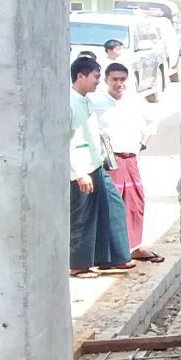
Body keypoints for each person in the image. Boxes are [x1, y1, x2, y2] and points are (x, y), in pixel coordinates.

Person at [89, 62, 164, 263]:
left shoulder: (136, 102)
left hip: (130, 159)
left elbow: (152, 122)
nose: (119, 83)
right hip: (109, 161)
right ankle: (111, 252)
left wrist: (142, 144)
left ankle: (134, 247)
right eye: (114, 79)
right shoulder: (95, 102)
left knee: (135, 203)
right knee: (111, 205)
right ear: (106, 80)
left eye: (122, 79)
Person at [69, 55, 134, 278]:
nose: (98, 81)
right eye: (96, 77)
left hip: (97, 164)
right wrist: (79, 173)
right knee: (83, 217)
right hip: (82, 168)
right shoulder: (70, 103)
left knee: (113, 207)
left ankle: (114, 257)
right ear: (81, 76)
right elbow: (66, 142)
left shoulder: (87, 101)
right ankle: (79, 265)